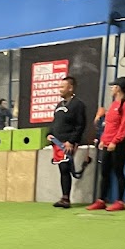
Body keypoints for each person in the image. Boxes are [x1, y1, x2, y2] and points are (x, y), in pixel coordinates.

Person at [87, 76, 125, 212]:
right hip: (108, 141)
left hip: (120, 142)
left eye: (113, 86)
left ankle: (120, 201)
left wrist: (115, 141)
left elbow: (124, 125)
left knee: (118, 171)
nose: (111, 88)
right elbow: (109, 124)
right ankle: (101, 200)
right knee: (105, 171)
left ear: (118, 88)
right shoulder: (114, 104)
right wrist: (103, 140)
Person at [46, 76, 86, 209]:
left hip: (67, 143)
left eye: (62, 87)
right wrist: (50, 134)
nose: (60, 89)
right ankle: (64, 197)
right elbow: (55, 122)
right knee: (62, 169)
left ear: (70, 88)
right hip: (57, 142)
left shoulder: (78, 105)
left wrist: (71, 141)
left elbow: (80, 125)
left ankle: (66, 198)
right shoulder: (59, 105)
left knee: (65, 168)